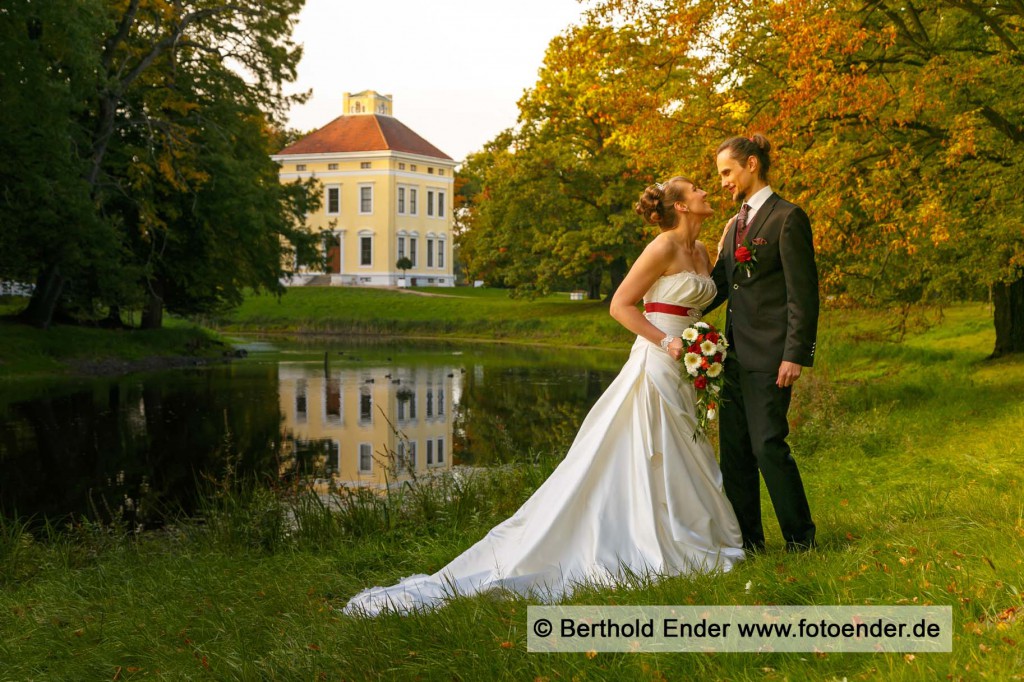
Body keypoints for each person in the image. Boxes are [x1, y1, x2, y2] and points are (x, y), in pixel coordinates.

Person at [343, 177, 744, 616]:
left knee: (685, 444)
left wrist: (700, 338)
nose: (706, 191)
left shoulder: (703, 252)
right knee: (655, 446)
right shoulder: (662, 247)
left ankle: (688, 531)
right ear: (682, 207)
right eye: (697, 190)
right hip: (658, 357)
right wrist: (665, 343)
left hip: (688, 360)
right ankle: (649, 534)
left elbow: (699, 299)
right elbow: (620, 305)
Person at [705, 134, 819, 553]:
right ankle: (748, 544)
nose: (722, 182)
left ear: (752, 164)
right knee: (734, 454)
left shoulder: (788, 218)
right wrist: (675, 308)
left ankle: (800, 539)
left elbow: (803, 295)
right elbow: (720, 285)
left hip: (772, 357)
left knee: (768, 445)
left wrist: (795, 354)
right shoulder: (734, 224)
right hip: (731, 357)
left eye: (727, 172)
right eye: (719, 175)